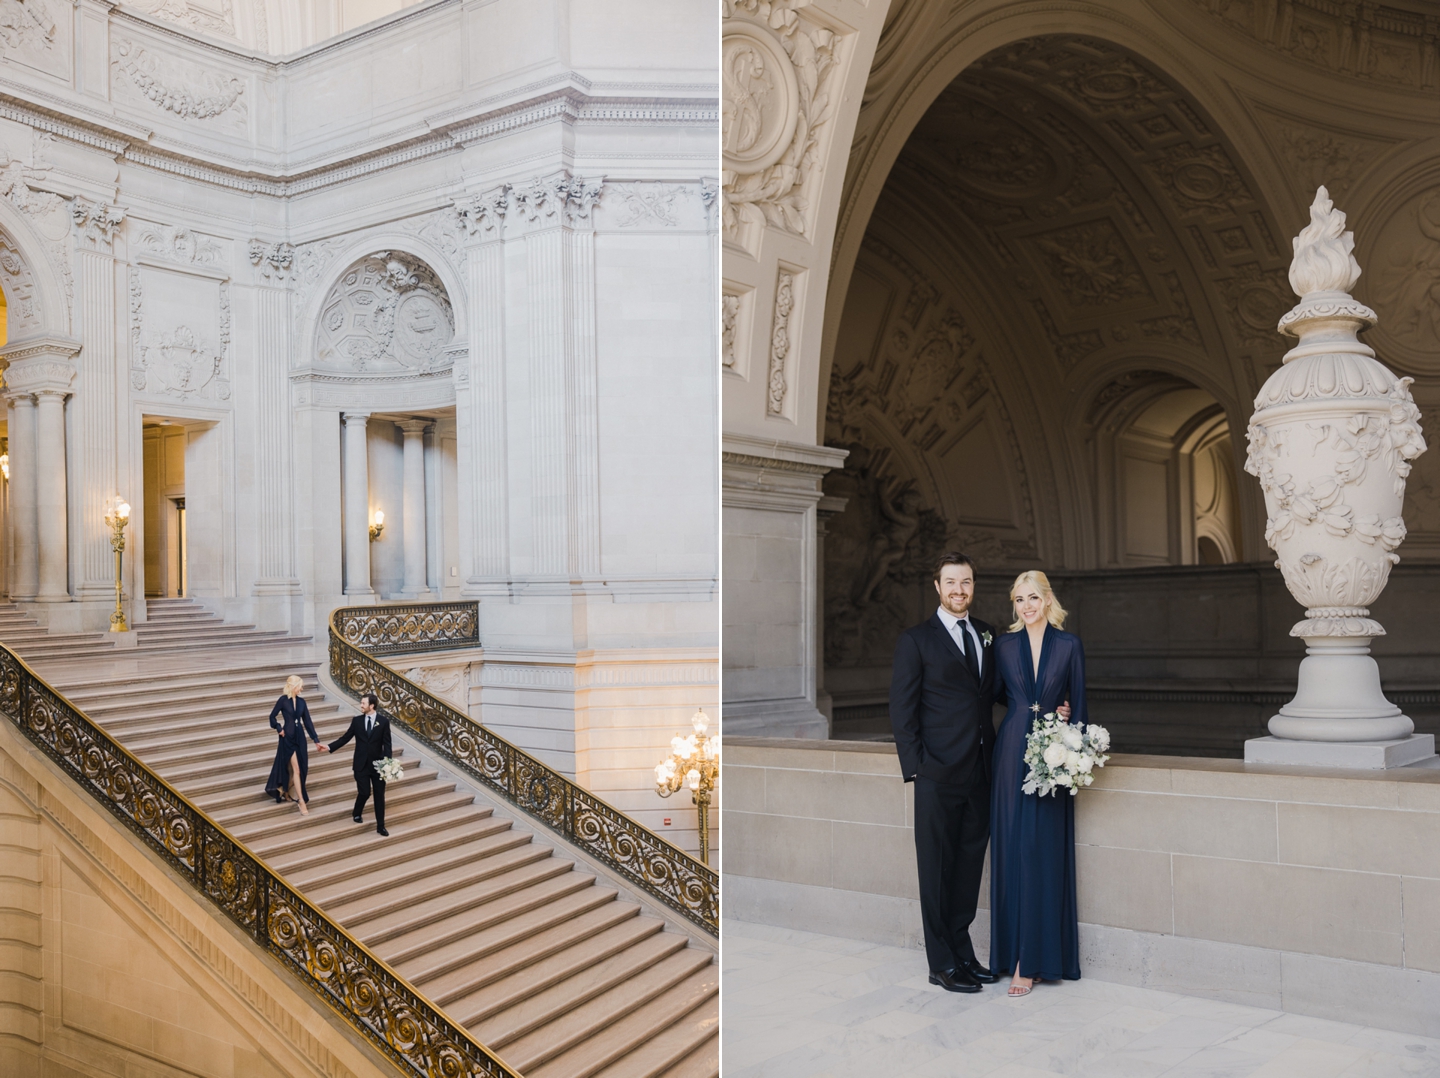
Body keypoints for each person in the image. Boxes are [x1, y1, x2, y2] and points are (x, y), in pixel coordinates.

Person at [888, 552, 1002, 994]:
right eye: (951, 583)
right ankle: (940, 964)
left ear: (974, 586)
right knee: (936, 870)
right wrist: (917, 770)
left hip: (980, 772)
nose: (959, 591)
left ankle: (963, 954)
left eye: (967, 583)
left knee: (968, 868)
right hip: (936, 774)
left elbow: (994, 693)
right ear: (937, 586)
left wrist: (1048, 704)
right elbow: (902, 709)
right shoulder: (916, 640)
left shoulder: (988, 634)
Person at [989, 570, 1087, 996]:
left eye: (1033, 597)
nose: (1026, 606)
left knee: (1041, 852)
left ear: (1048, 599)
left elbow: (1079, 703)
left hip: (1053, 754)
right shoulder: (1004, 645)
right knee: (1012, 849)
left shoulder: (1069, 645)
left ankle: (1039, 959)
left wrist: (1066, 726)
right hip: (1011, 751)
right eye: (1019, 599)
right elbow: (992, 693)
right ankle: (1014, 957)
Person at [318, 692, 393, 836]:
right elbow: (345, 738)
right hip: (361, 765)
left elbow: (387, 744)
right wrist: (329, 747)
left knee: (379, 796)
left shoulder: (383, 722)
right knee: (364, 792)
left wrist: (387, 764)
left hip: (378, 766)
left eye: (363, 703)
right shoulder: (357, 721)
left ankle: (381, 826)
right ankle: (357, 812)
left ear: (372, 705)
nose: (361, 705)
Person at [264, 675, 322, 815]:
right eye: (300, 686)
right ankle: (301, 802)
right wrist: (278, 728)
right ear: (293, 686)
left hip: (300, 738)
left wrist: (315, 739)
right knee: (296, 769)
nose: (302, 688)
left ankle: (285, 790)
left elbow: (307, 722)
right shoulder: (283, 700)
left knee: (301, 768)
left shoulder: (302, 702)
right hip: (287, 739)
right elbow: (272, 717)